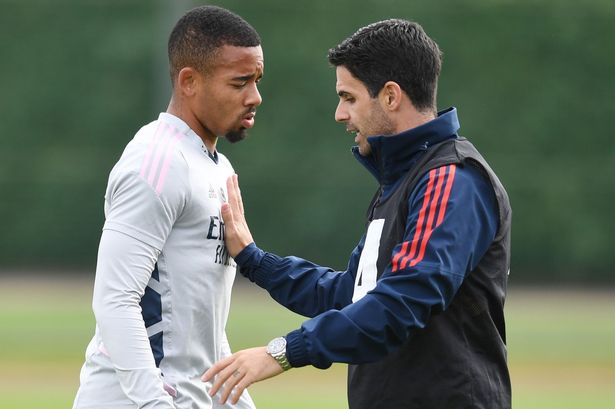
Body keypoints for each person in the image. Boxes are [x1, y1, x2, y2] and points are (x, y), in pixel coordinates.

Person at [203, 18, 512, 409]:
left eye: (348, 98)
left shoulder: (451, 179)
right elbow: (352, 294)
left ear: (390, 96)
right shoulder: (403, 181)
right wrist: (254, 260)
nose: (339, 114)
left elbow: (402, 302)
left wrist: (281, 351)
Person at [72, 6, 264, 409]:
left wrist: (236, 400)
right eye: (240, 82)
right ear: (189, 82)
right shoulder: (155, 164)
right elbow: (116, 300)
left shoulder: (217, 167)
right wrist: (154, 403)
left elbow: (200, 323)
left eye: (257, 81)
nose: (254, 97)